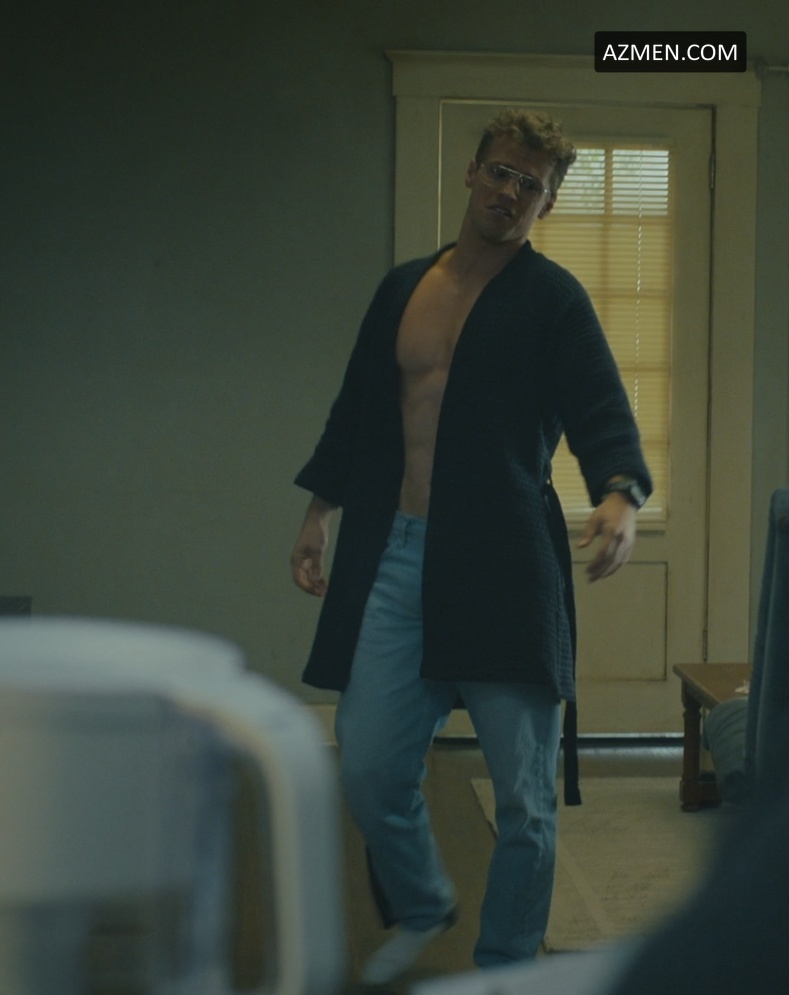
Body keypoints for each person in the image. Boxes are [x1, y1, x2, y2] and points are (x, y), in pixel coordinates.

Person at [290, 108, 652, 985]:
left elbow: (600, 406)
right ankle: (422, 899)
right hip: (393, 556)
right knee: (370, 768)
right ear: (471, 173)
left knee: (524, 800)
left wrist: (619, 494)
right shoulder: (402, 289)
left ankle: (506, 966)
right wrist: (319, 511)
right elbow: (357, 409)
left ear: (546, 203)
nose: (509, 192)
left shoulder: (553, 299)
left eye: (531, 184)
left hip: (502, 566)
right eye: (500, 172)